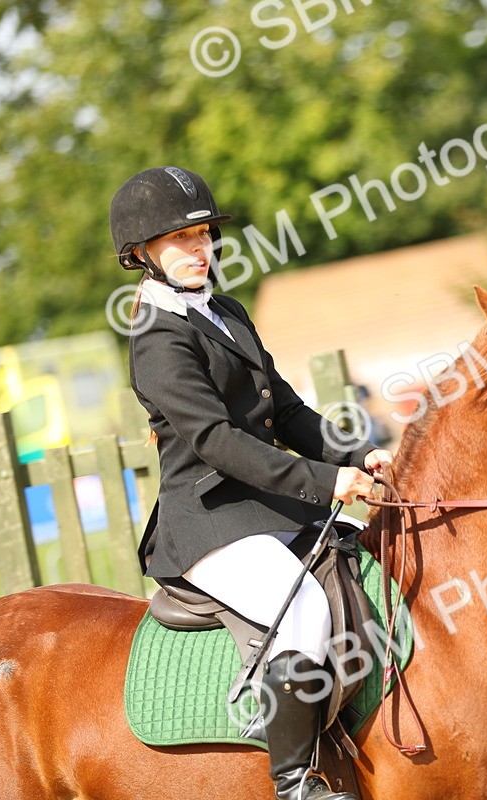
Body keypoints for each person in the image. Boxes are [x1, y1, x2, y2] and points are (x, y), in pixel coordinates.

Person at [111, 166, 391, 800]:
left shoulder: (226, 311)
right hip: (209, 522)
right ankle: (294, 783)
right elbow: (218, 442)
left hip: (266, 506)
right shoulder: (156, 339)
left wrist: (361, 454)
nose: (200, 249)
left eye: (205, 234)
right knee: (301, 607)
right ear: (141, 253)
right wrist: (327, 481)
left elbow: (286, 410)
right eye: (181, 239)